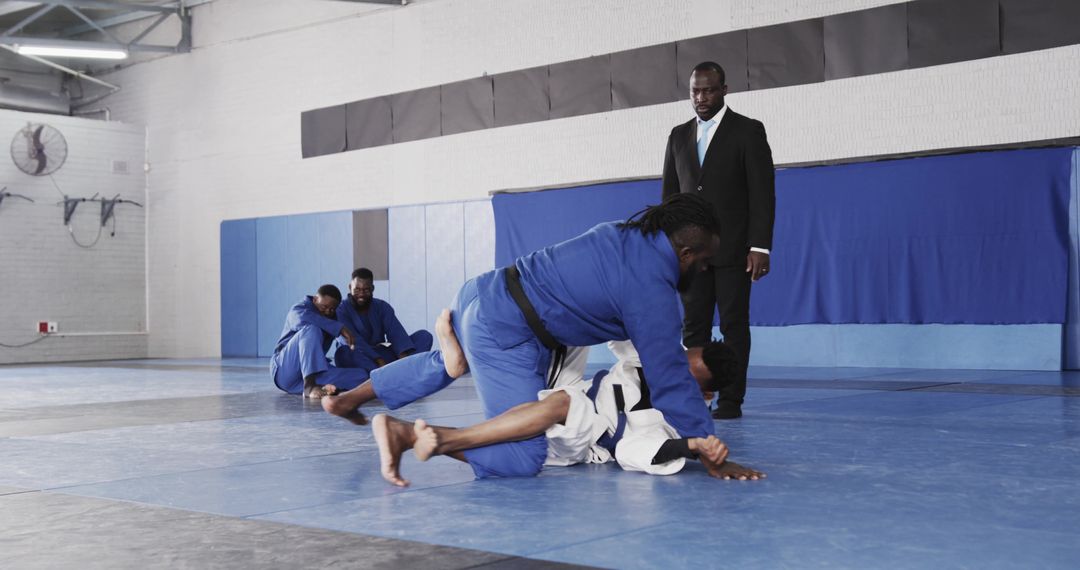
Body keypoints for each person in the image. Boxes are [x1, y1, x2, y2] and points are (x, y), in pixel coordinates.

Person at [324, 193, 722, 481]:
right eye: (704, 262)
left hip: (484, 290)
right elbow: (668, 374)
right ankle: (405, 434)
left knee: (453, 362)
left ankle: (349, 399)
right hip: (507, 331)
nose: (704, 271)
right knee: (524, 454)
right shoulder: (651, 286)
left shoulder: (626, 234)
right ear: (685, 253)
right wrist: (707, 445)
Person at [370, 313, 766, 487]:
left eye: (685, 376)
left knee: (539, 431)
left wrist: (692, 446)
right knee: (553, 325)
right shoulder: (662, 354)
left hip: (584, 435)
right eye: (679, 363)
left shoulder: (669, 425)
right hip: (573, 383)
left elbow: (630, 451)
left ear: (704, 395)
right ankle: (451, 361)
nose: (673, 371)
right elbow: (623, 327)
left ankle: (430, 437)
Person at [661, 61, 776, 420]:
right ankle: (696, 395)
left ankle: (730, 400)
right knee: (692, 326)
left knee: (732, 325)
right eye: (695, 90)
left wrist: (760, 245)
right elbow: (670, 196)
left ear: (724, 89)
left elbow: (762, 193)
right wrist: (667, 246)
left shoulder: (748, 131)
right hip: (689, 255)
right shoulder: (678, 135)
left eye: (709, 89)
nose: (701, 97)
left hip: (733, 250)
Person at [270, 284, 368, 398]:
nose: (327, 312)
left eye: (332, 309)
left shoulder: (333, 319)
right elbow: (302, 321)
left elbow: (347, 340)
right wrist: (338, 328)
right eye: (324, 307)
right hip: (285, 372)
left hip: (311, 375)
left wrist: (372, 357)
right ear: (315, 299)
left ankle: (330, 389)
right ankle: (309, 387)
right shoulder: (299, 309)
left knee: (362, 376)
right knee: (312, 329)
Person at [333, 267, 433, 371]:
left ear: (372, 288)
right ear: (350, 287)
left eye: (366, 290)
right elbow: (354, 341)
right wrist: (379, 360)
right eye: (357, 290)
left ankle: (401, 371)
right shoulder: (341, 311)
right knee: (343, 354)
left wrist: (404, 361)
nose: (361, 294)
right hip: (358, 356)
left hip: (381, 353)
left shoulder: (382, 307)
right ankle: (386, 374)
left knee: (424, 336)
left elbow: (396, 334)